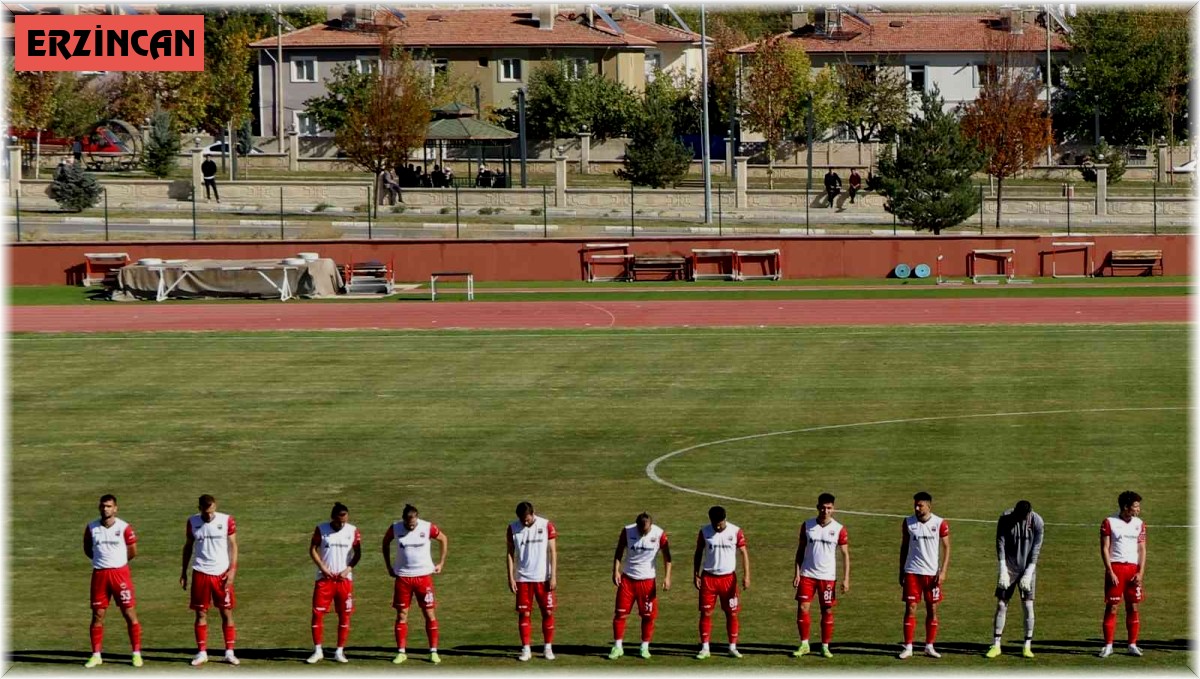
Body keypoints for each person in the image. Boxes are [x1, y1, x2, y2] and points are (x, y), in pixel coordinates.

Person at [383, 504, 448, 664]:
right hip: (403, 578)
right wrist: (389, 566)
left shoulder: (427, 527)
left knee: (429, 613)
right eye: (408, 524)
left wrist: (441, 563)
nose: (411, 526)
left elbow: (443, 539)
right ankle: (401, 652)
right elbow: (385, 543)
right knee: (401, 615)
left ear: (417, 518)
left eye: (413, 523)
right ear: (404, 519)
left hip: (423, 577)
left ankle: (433, 651)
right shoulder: (395, 528)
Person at [83, 494, 143, 668]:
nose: (105, 509)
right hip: (100, 575)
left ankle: (136, 653)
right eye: (103, 506)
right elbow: (87, 548)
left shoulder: (124, 527)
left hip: (120, 575)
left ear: (115, 508)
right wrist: (101, 562)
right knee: (97, 614)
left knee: (129, 613)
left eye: (109, 506)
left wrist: (118, 563)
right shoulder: (91, 527)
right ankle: (96, 655)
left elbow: (132, 551)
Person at [180, 494, 239, 666]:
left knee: (226, 612)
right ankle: (202, 652)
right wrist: (183, 572)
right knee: (200, 613)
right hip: (200, 572)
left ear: (215, 505)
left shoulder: (226, 520)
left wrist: (232, 570)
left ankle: (229, 652)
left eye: (210, 508)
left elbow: (233, 545)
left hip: (221, 573)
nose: (208, 512)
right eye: (205, 509)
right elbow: (188, 546)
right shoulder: (192, 522)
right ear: (199, 508)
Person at [792, 492, 850, 658]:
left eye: (829, 508)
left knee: (827, 610)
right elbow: (800, 550)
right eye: (823, 508)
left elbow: (845, 554)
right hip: (807, 575)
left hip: (827, 577)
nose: (826, 511)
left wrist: (846, 579)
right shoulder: (807, 525)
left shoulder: (839, 529)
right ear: (817, 507)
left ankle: (825, 646)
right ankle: (804, 644)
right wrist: (797, 573)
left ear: (834, 509)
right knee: (803, 608)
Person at [608, 511, 672, 660]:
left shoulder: (659, 534)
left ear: (651, 525)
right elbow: (619, 551)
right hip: (628, 580)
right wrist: (615, 571)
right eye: (641, 530)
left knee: (648, 616)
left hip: (647, 582)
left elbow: (667, 557)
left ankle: (644, 647)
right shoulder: (627, 531)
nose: (643, 533)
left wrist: (667, 577)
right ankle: (617, 647)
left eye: (646, 530)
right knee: (620, 614)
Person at [985, 500, 1043, 659]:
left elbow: (1036, 548)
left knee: (1028, 606)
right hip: (1009, 567)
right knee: (1002, 604)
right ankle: (996, 644)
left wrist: (1029, 571)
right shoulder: (1005, 518)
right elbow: (1000, 543)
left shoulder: (1037, 521)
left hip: (1027, 568)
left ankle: (1027, 645)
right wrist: (1003, 569)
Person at [306, 502, 361, 664]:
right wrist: (322, 567)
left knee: (344, 614)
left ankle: (339, 651)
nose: (342, 524)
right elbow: (312, 549)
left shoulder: (352, 530)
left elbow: (358, 553)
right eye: (339, 521)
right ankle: (317, 651)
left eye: (344, 520)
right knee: (317, 613)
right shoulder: (321, 529)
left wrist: (348, 569)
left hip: (344, 580)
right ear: (333, 518)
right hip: (325, 580)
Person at [693, 505, 750, 660]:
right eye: (714, 523)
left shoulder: (735, 531)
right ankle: (705, 648)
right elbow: (698, 553)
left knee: (732, 613)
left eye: (720, 523)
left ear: (725, 519)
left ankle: (732, 647)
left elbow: (743, 552)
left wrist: (746, 575)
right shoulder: (704, 532)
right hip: (708, 579)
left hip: (728, 580)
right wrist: (695, 574)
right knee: (706, 613)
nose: (718, 526)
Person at [898, 491, 950, 659]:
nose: (916, 507)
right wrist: (901, 570)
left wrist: (943, 571)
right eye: (915, 504)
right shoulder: (908, 522)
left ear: (929, 506)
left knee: (932, 609)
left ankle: (929, 646)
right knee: (911, 608)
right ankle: (908, 647)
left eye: (920, 505)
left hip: (931, 574)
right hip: (912, 572)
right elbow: (904, 547)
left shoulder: (940, 523)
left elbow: (947, 547)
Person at [506, 500, 558, 662]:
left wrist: (553, 575)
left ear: (532, 513)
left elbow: (552, 551)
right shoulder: (513, 528)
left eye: (527, 519)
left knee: (547, 612)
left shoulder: (546, 525)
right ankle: (526, 649)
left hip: (543, 578)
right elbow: (509, 554)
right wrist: (511, 577)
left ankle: (547, 648)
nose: (524, 522)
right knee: (524, 613)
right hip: (523, 578)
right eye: (522, 520)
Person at [1099, 490, 1146, 658]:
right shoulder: (1109, 522)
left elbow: (1142, 549)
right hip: (1116, 569)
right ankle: (1108, 645)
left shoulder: (1139, 523)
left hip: (1133, 570)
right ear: (1126, 507)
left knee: (1133, 606)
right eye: (1136, 506)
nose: (1138, 509)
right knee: (1112, 607)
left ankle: (1132, 644)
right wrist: (1110, 571)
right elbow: (1104, 548)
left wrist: (1140, 572)